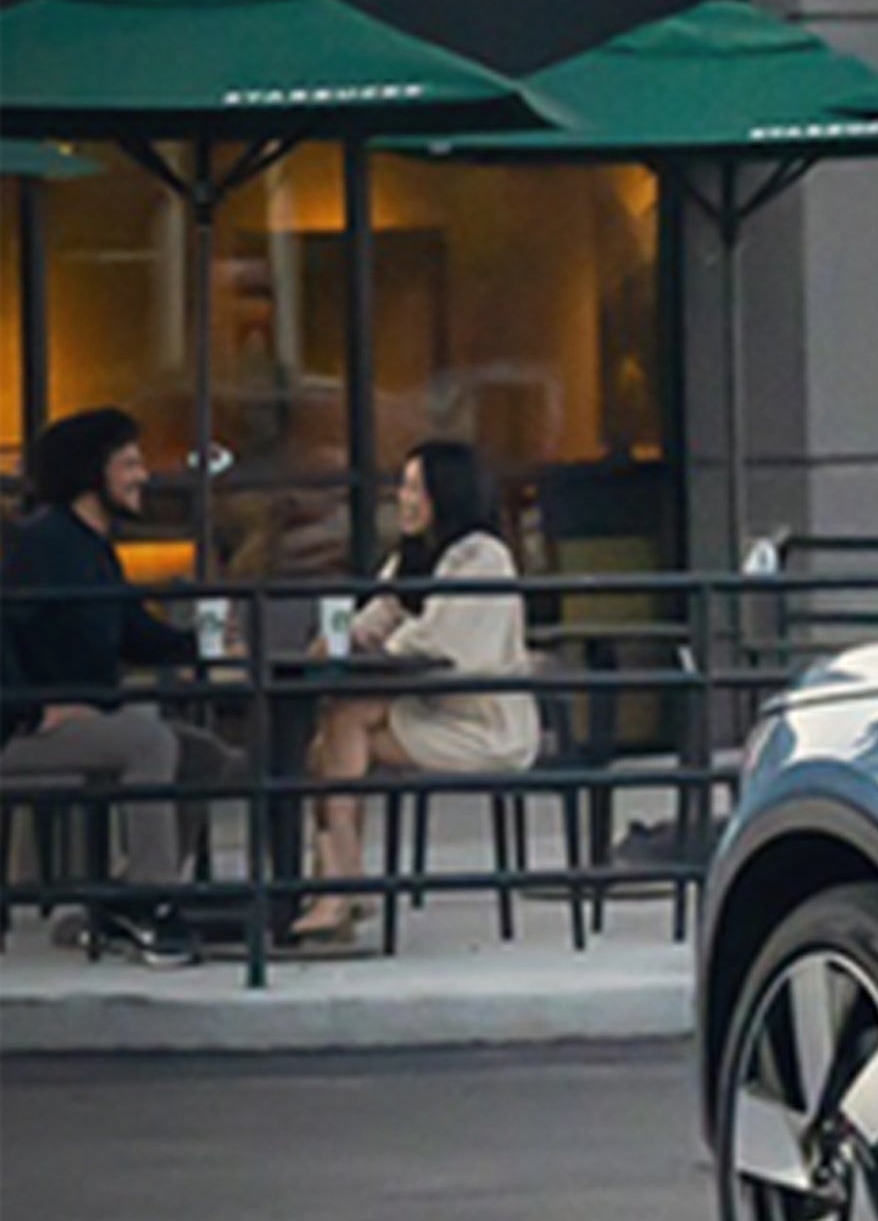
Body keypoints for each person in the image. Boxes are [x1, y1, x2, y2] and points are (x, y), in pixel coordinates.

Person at [0, 406, 245, 966]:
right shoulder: (39, 545)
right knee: (149, 742)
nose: (144, 476)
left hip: (76, 723)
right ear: (94, 473)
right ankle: (151, 908)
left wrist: (206, 649)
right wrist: (32, 712)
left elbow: (134, 631)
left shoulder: (96, 549)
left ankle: (114, 904)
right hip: (17, 731)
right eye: (130, 463)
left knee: (202, 754)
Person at [291, 440, 539, 948]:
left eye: (411, 487)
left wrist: (379, 643)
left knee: (340, 728)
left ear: (444, 494)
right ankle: (342, 884)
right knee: (333, 737)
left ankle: (338, 888)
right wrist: (341, 638)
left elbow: (437, 644)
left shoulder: (483, 558)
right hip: (431, 710)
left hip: (481, 724)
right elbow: (377, 616)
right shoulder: (414, 556)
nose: (401, 499)